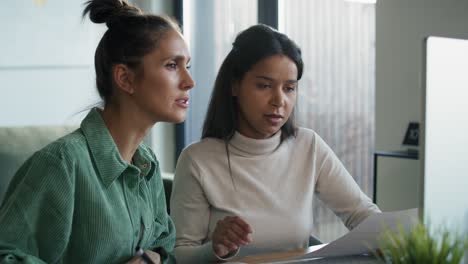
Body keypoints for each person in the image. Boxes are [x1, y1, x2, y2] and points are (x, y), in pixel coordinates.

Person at [0, 0, 194, 263]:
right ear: (125, 78)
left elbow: (166, 251)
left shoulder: (147, 164)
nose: (189, 82)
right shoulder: (61, 164)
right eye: (172, 65)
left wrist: (155, 258)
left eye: (188, 66)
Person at [170, 24, 380, 263]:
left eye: (289, 88)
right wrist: (216, 248)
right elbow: (181, 254)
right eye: (264, 86)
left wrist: (406, 242)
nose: (279, 101)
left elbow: (362, 214)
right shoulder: (198, 160)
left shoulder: (308, 146)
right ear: (235, 85)